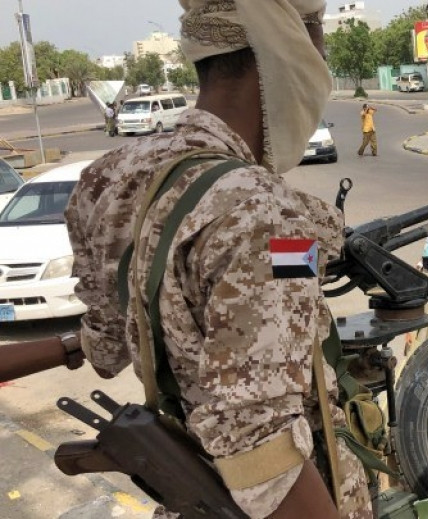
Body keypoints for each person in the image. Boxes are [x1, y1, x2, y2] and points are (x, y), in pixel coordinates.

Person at [64, 1, 371, 518]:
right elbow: (259, 446)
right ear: (289, 53)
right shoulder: (265, 212)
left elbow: (109, 347)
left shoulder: (108, 178)